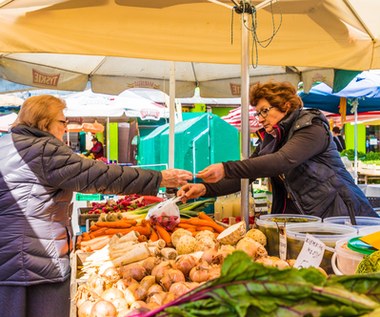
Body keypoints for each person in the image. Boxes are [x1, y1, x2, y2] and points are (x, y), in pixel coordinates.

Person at [0, 95, 192, 317]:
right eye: (62, 122)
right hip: (36, 263)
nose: (65, 128)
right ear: (45, 124)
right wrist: (158, 178)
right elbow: (98, 175)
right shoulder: (44, 150)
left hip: (9, 258)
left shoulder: (5, 144)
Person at [178, 81, 378, 220]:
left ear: (286, 105)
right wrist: (205, 189)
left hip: (339, 215)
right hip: (302, 218)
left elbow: (282, 161)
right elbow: (249, 175)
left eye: (265, 110)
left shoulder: (311, 127)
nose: (261, 118)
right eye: (258, 113)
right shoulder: (271, 139)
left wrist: (226, 167)